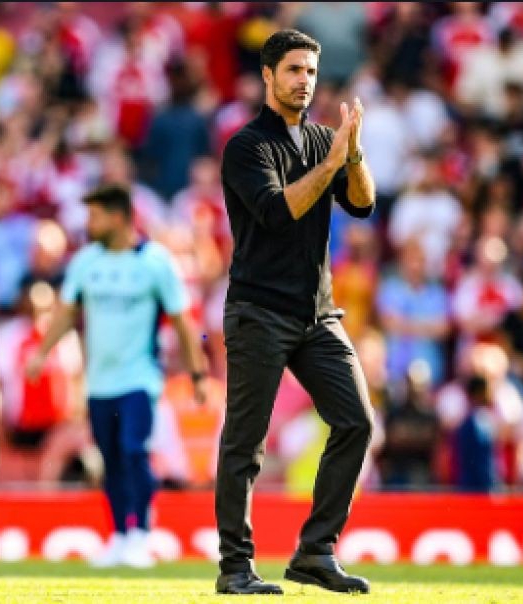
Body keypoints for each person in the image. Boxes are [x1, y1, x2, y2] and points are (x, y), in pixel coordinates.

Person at [214, 29, 376, 595]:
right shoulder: (246, 146)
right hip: (258, 310)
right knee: (246, 445)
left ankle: (315, 552)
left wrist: (350, 155)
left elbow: (362, 202)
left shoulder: (324, 142)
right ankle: (235, 568)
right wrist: (332, 160)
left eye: (310, 71)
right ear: (267, 76)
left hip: (317, 314)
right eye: (293, 71)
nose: (304, 81)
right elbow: (278, 213)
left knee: (357, 421)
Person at [26, 184, 208, 569]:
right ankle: (119, 536)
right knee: (109, 458)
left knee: (132, 449)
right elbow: (65, 312)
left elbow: (183, 322)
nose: (88, 223)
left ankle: (141, 531)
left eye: (95, 215)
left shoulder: (156, 262)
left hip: (141, 377)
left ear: (119, 217)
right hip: (100, 381)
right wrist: (42, 353)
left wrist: (197, 374)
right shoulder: (86, 262)